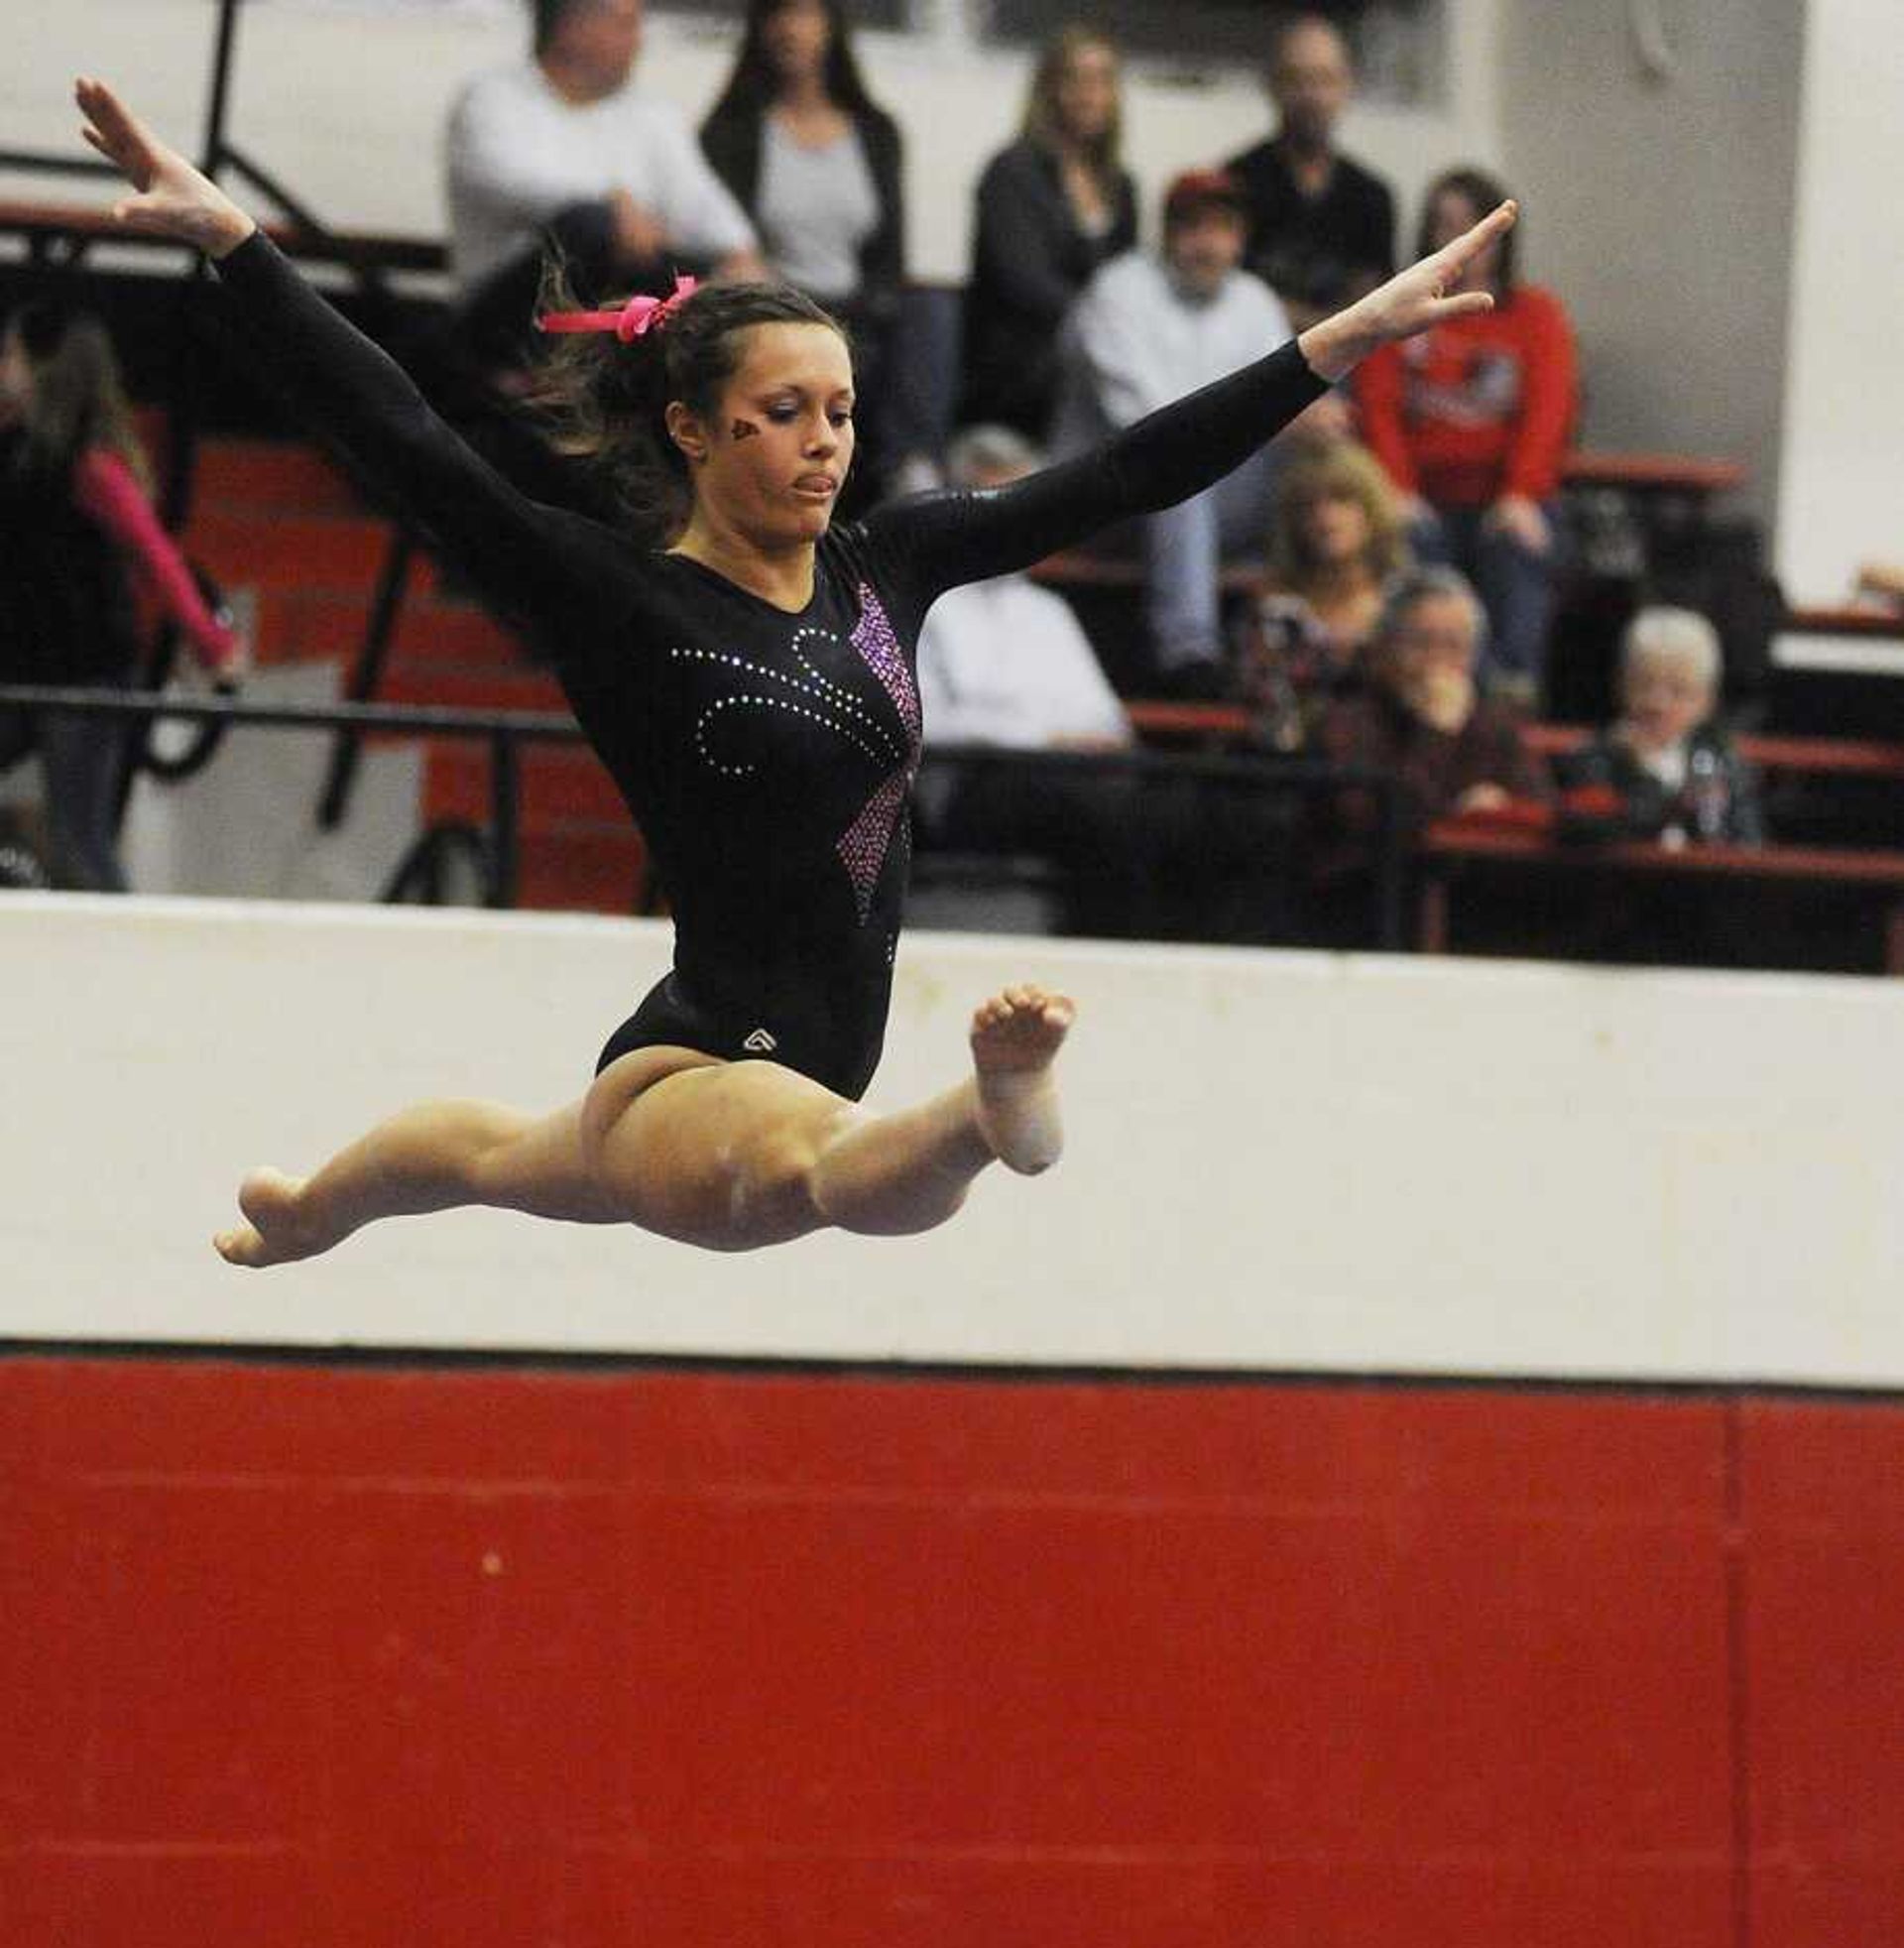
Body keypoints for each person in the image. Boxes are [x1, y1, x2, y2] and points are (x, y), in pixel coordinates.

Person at [73, 74, 1513, 1269]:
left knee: (500, 1154)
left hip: (783, 1075)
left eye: (838, 408)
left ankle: (316, 1209)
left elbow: (1127, 473)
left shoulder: (889, 566)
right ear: (696, 432)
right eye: (783, 412)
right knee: (818, 1168)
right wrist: (237, 247)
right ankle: (989, 1107)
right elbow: (410, 445)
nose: (827, 439)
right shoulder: (619, 598)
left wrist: (1336, 343)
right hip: (698, 1078)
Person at [0, 297, 242, 893]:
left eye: (8, 355)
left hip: (87, 675)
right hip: (25, 668)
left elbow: (158, 558)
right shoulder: (12, 450)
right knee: (73, 833)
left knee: (79, 837)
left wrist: (212, 643)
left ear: (43, 367)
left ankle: (128, 951)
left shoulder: (92, 467)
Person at [1051, 166, 1302, 695]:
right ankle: (1189, 655)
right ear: (1167, 233)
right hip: (1107, 498)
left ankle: (1322, 651)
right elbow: (1148, 426)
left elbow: (1282, 410)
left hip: (1216, 487)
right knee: (1181, 472)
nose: (1207, 244)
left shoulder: (1254, 301)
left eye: (1222, 229)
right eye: (1193, 228)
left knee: (1326, 463)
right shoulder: (1118, 291)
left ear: (1240, 238)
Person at [445, 0, 763, 377]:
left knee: (712, 282)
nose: (638, 41)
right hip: (507, 314)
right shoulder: (494, 98)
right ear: (571, 28)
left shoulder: (650, 115)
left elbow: (695, 198)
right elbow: (501, 179)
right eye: (625, 25)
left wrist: (738, 250)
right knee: (592, 228)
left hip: (619, 308)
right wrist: (612, 202)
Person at [1352, 167, 1576, 700]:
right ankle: (1443, 691)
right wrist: (1398, 490)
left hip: (1508, 498)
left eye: (1469, 224)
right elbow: (1377, 407)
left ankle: (1508, 693)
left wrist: (1520, 494)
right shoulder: (1398, 306)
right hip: (1420, 499)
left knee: (1517, 545)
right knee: (1409, 544)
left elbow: (1549, 412)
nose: (1457, 238)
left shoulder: (1536, 314)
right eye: (1442, 225)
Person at [913, 425, 1146, 935]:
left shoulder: (1048, 609)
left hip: (1063, 776)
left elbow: (1105, 720)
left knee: (1165, 801)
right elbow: (927, 723)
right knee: (1089, 804)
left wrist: (1061, 741)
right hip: (965, 788)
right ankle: (1106, 940)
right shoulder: (923, 602)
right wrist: (1043, 737)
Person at [699, 0, 904, 500]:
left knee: (924, 321)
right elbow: (720, 245)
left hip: (857, 318)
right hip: (772, 316)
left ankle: (908, 471)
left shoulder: (876, 133)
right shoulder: (732, 132)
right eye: (780, 17)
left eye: (806, 15)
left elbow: (889, 260)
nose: (792, 30)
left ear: (831, 26)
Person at [960, 25, 1137, 445]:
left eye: (1101, 80)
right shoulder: (1011, 172)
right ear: (1049, 89)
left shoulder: (1121, 184)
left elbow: (1130, 279)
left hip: (1101, 353)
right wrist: (1103, 323)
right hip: (1025, 362)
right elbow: (1023, 282)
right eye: (1075, 78)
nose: (1088, 93)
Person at [1318, 566, 1551, 821]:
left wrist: (1503, 808)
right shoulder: (1348, 723)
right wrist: (1435, 733)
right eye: (1421, 642)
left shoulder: (1493, 723)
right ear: (1383, 648)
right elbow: (1373, 827)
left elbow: (1542, 808)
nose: (1437, 660)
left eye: (1454, 645)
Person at [1234, 435, 1408, 748]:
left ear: (1371, 510)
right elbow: (1271, 708)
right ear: (1292, 522)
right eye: (1309, 506)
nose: (1324, 517)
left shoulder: (1409, 599)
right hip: (1304, 769)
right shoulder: (1275, 609)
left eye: (1341, 499)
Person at [1226, 11, 1396, 325]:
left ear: (1347, 85)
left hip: (1347, 364)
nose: (1311, 96)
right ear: (1272, 85)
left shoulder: (1371, 197)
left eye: (1324, 79)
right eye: (1297, 79)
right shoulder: (1233, 184)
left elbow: (1374, 304)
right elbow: (1227, 298)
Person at [1555, 605, 1764, 848]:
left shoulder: (1723, 762)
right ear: (1621, 685)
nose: (1658, 704)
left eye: (1678, 691)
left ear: (1706, 701)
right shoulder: (1592, 758)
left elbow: (1748, 845)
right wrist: (1641, 771)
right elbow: (1599, 834)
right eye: (1644, 685)